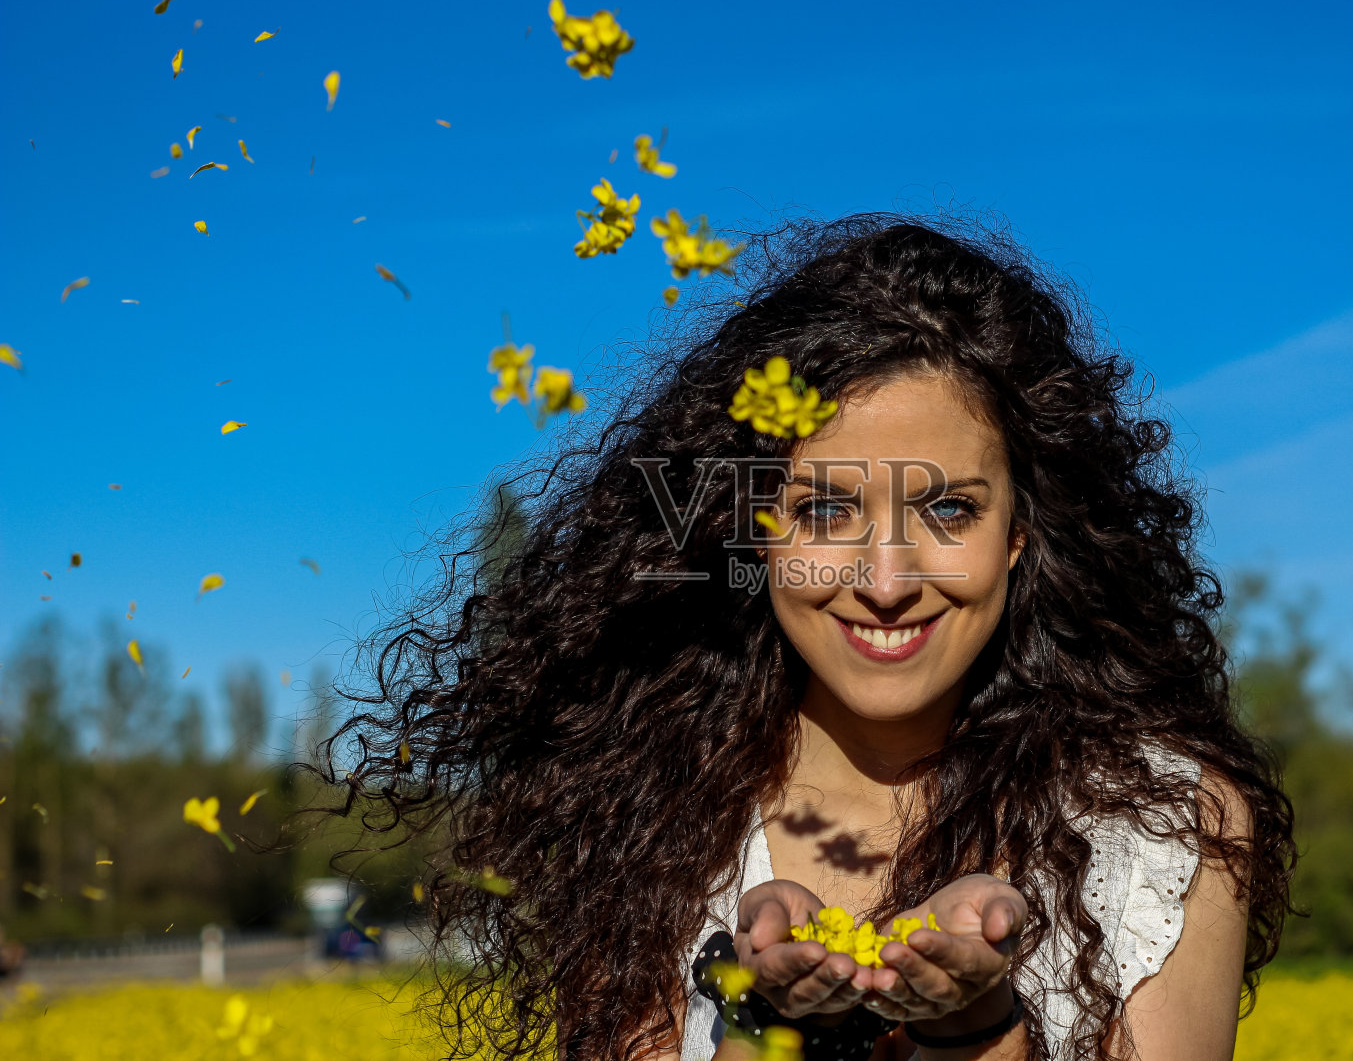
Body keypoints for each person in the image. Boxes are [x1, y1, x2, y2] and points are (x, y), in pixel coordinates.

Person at [324, 214, 1295, 1061]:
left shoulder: (1167, 824)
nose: (884, 581)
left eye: (948, 509)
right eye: (826, 510)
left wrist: (976, 1029)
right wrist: (768, 1025)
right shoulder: (649, 814)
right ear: (755, 529)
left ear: (1016, 540)